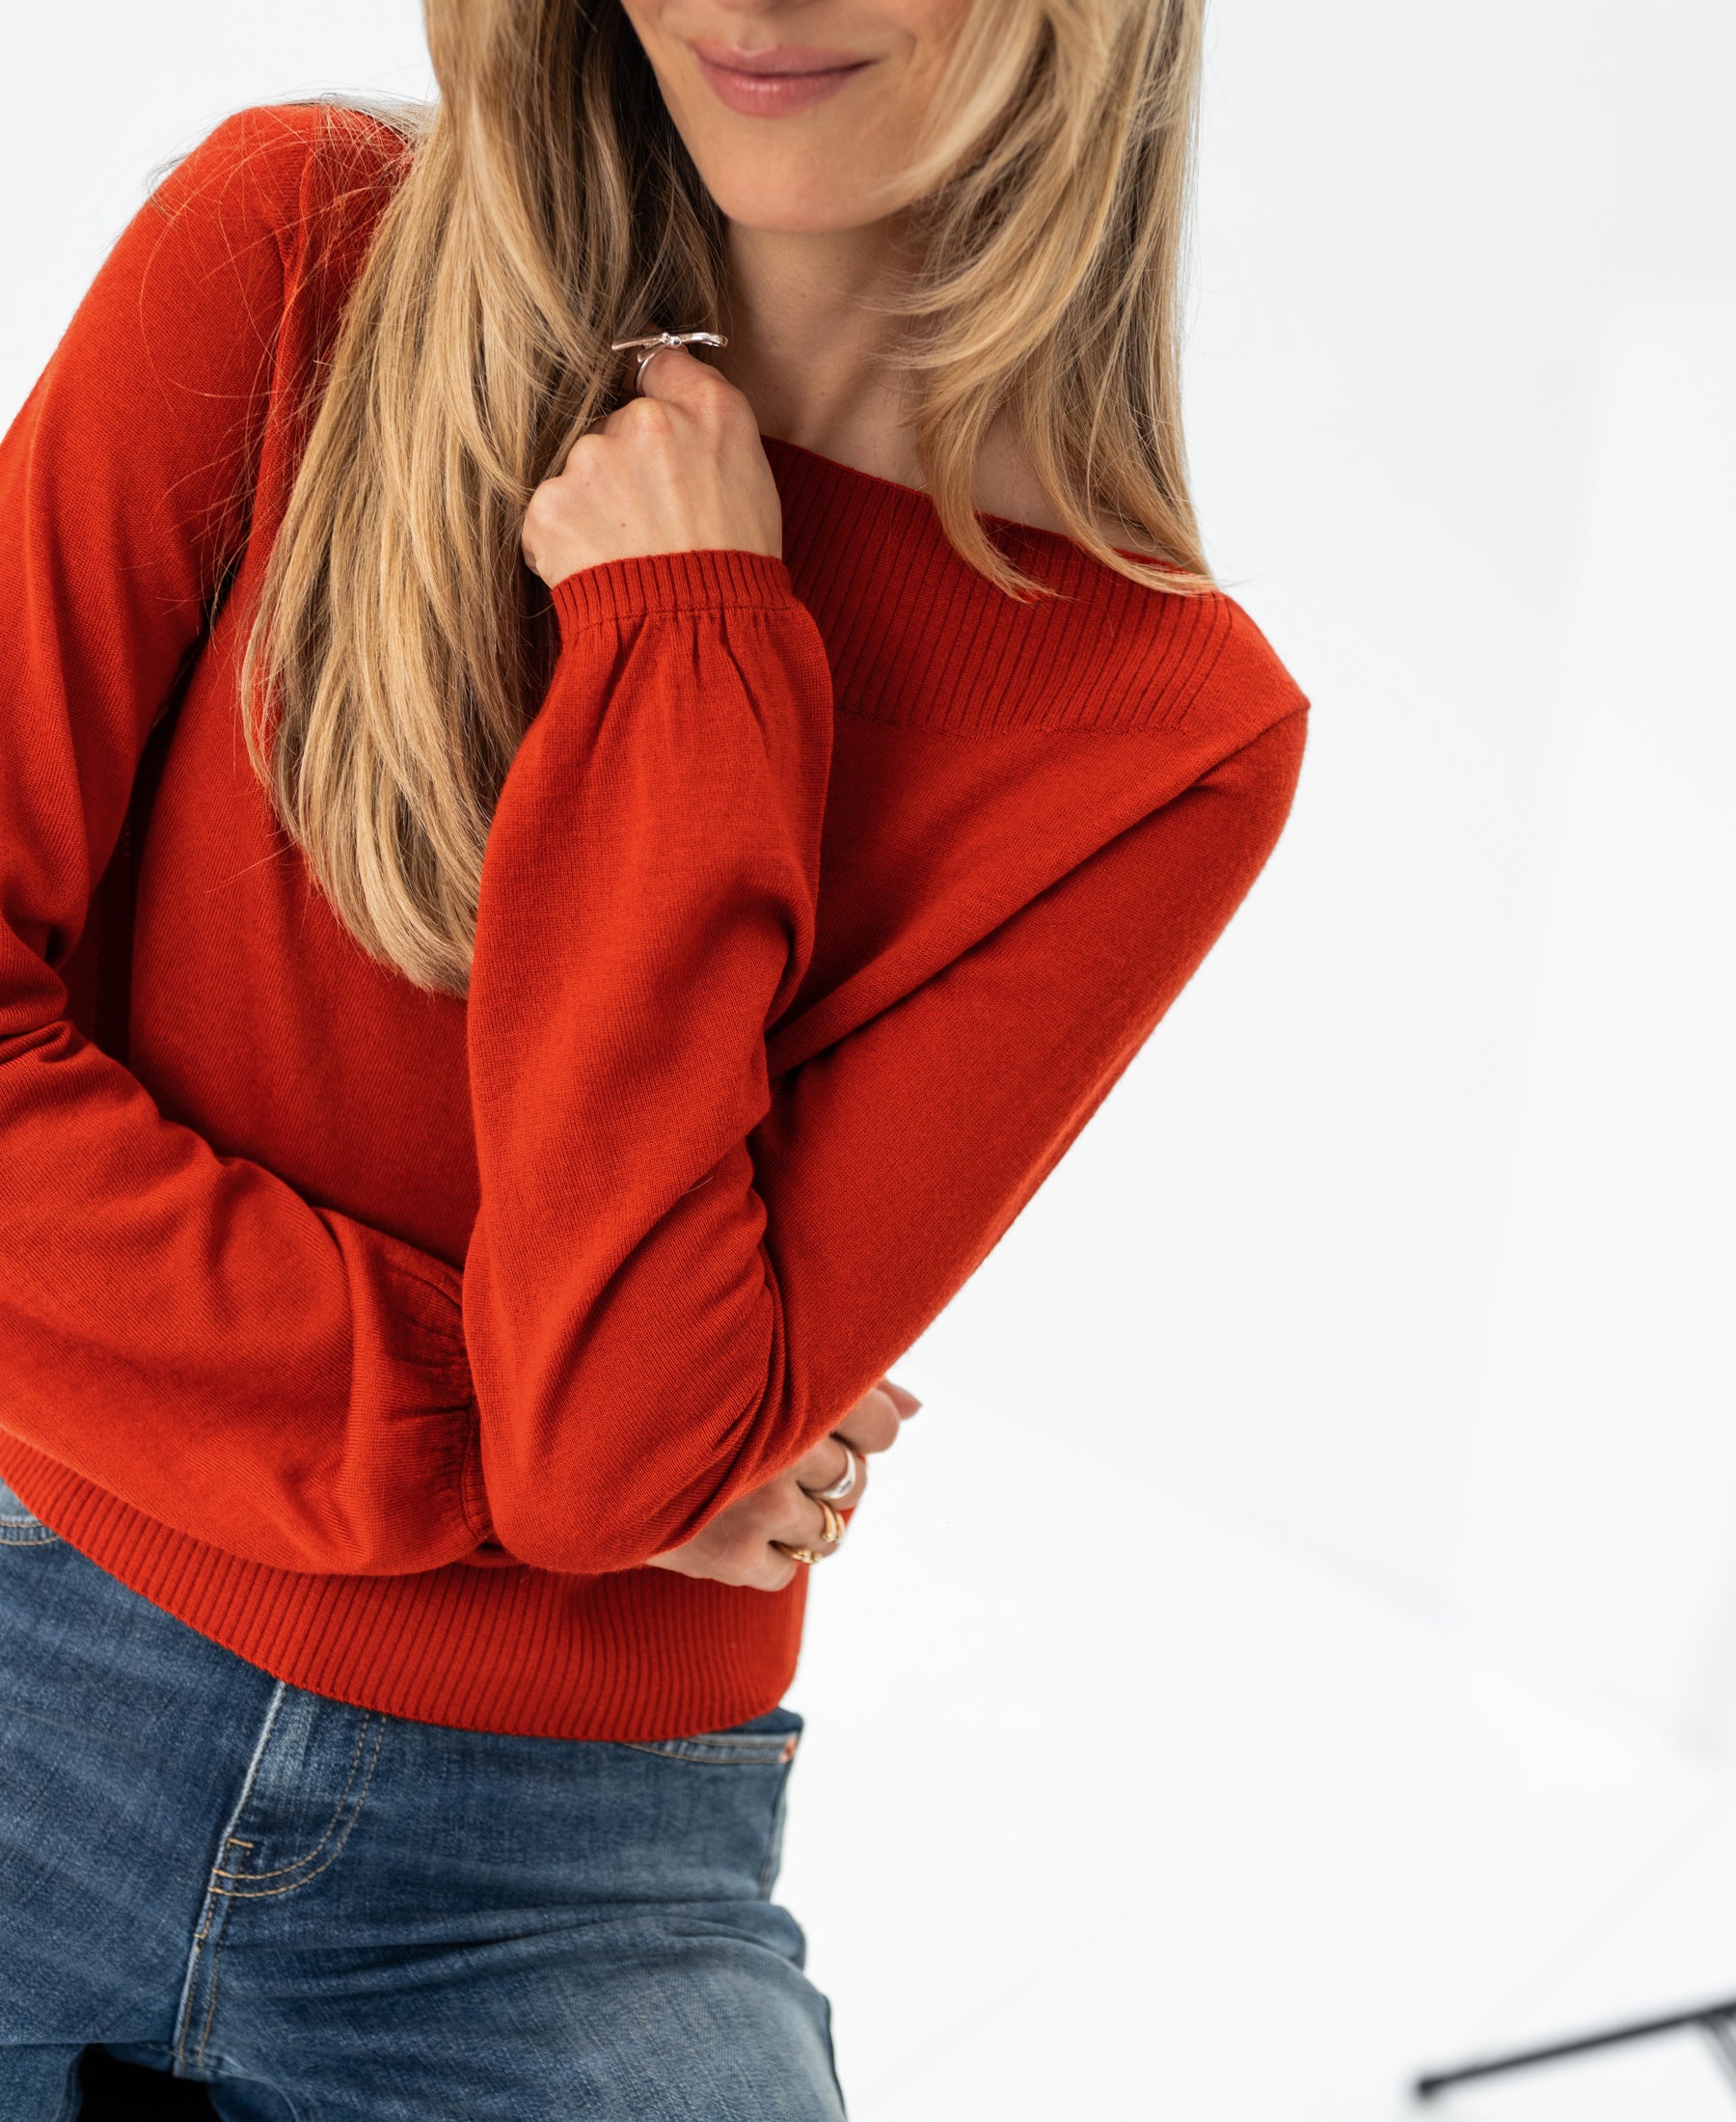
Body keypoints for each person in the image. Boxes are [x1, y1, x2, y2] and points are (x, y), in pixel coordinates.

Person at [0, 1, 1308, 2115]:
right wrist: (500, 1424)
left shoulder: (1166, 732)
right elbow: (607, 1455)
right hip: (36, 1607)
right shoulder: (297, 250)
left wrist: (691, 631)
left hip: (561, 1852)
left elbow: (618, 1446)